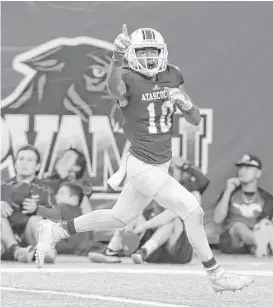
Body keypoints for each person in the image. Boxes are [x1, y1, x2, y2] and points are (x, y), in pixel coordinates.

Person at [36, 25, 253, 293]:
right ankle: (216, 274)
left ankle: (56, 231)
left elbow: (195, 119)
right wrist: (116, 56)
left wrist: (183, 103)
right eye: (143, 52)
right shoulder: (126, 76)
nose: (149, 58)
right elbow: (114, 88)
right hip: (142, 166)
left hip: (158, 163)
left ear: (162, 53)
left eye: (153, 52)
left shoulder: (172, 74)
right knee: (192, 210)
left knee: (118, 217)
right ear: (132, 55)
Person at [1, 145, 60, 263]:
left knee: (35, 219)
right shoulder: (3, 186)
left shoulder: (44, 188)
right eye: (21, 159)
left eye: (29, 160)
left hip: (30, 238)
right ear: (15, 163)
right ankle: (18, 252)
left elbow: (57, 216)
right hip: (6, 239)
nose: (24, 163)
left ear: (37, 166)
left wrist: (38, 209)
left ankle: (40, 252)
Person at [214, 154, 273, 256]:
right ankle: (259, 242)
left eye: (248, 168)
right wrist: (228, 191)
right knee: (239, 226)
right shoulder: (230, 193)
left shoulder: (266, 198)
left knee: (265, 224)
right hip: (232, 241)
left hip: (254, 235)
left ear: (258, 173)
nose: (242, 171)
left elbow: (265, 222)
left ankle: (258, 246)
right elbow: (217, 219)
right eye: (241, 167)